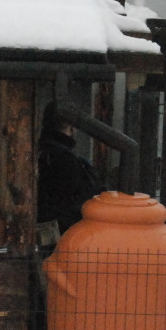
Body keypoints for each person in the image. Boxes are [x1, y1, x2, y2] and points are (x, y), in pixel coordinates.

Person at [36, 101, 103, 247]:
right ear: (73, 128)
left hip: (40, 230)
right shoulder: (69, 161)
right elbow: (80, 199)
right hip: (63, 235)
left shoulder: (37, 153)